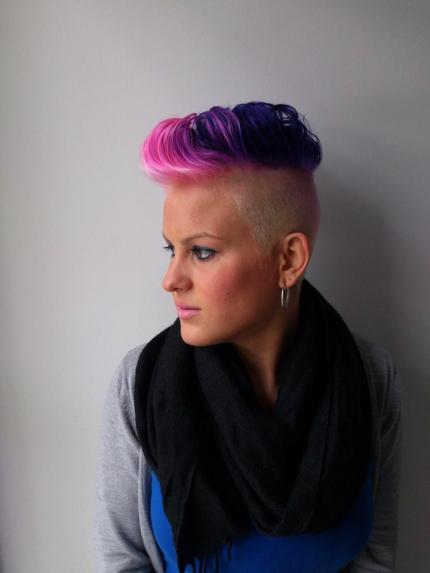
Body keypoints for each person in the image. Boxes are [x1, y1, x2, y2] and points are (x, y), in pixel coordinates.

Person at [94, 102, 402, 573]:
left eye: (201, 251)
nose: (170, 279)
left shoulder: (370, 375)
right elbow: (123, 561)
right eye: (171, 249)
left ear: (289, 260)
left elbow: (375, 556)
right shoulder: (141, 382)